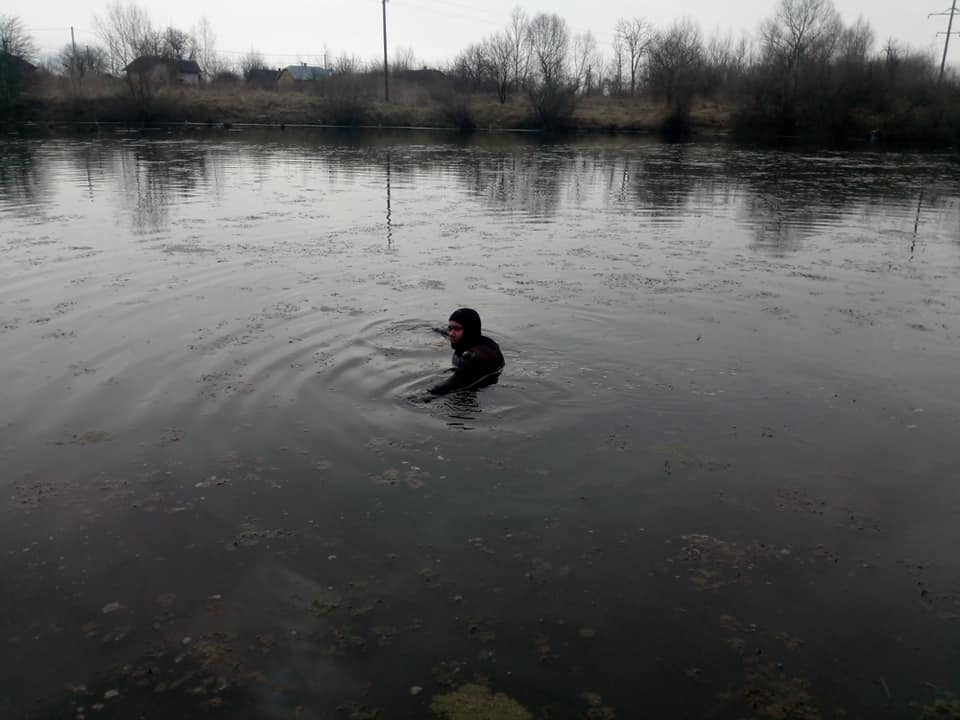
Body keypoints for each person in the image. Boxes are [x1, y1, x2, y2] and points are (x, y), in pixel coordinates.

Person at [429, 308, 505, 395]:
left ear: (470, 330)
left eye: (456, 329)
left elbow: (451, 385)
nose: (451, 333)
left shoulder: (476, 358)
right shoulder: (479, 340)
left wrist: (420, 397)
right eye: (450, 328)